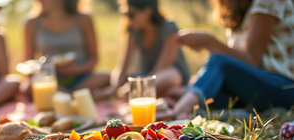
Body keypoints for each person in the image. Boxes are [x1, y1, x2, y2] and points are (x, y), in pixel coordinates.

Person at [162, 0, 294, 119]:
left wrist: (210, 42)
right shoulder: (238, 7)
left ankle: (176, 114)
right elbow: (236, 63)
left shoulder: (268, 2)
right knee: (207, 94)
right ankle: (239, 113)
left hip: (284, 87)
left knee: (219, 62)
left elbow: (251, 60)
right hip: (255, 88)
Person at [104, 0, 190, 100]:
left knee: (169, 77)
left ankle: (139, 93)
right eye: (125, 14)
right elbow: (124, 65)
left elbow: (162, 66)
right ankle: (149, 93)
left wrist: (137, 85)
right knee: (115, 74)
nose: (128, 19)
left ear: (148, 11)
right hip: (146, 74)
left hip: (167, 73)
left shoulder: (169, 27)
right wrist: (114, 87)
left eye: (131, 14)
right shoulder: (134, 31)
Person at [23, 0, 110, 94]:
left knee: (105, 77)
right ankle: (74, 95)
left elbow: (94, 58)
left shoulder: (84, 19)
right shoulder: (31, 23)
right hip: (50, 78)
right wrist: (45, 68)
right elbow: (28, 63)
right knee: (27, 87)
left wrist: (75, 70)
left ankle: (63, 94)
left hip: (81, 77)